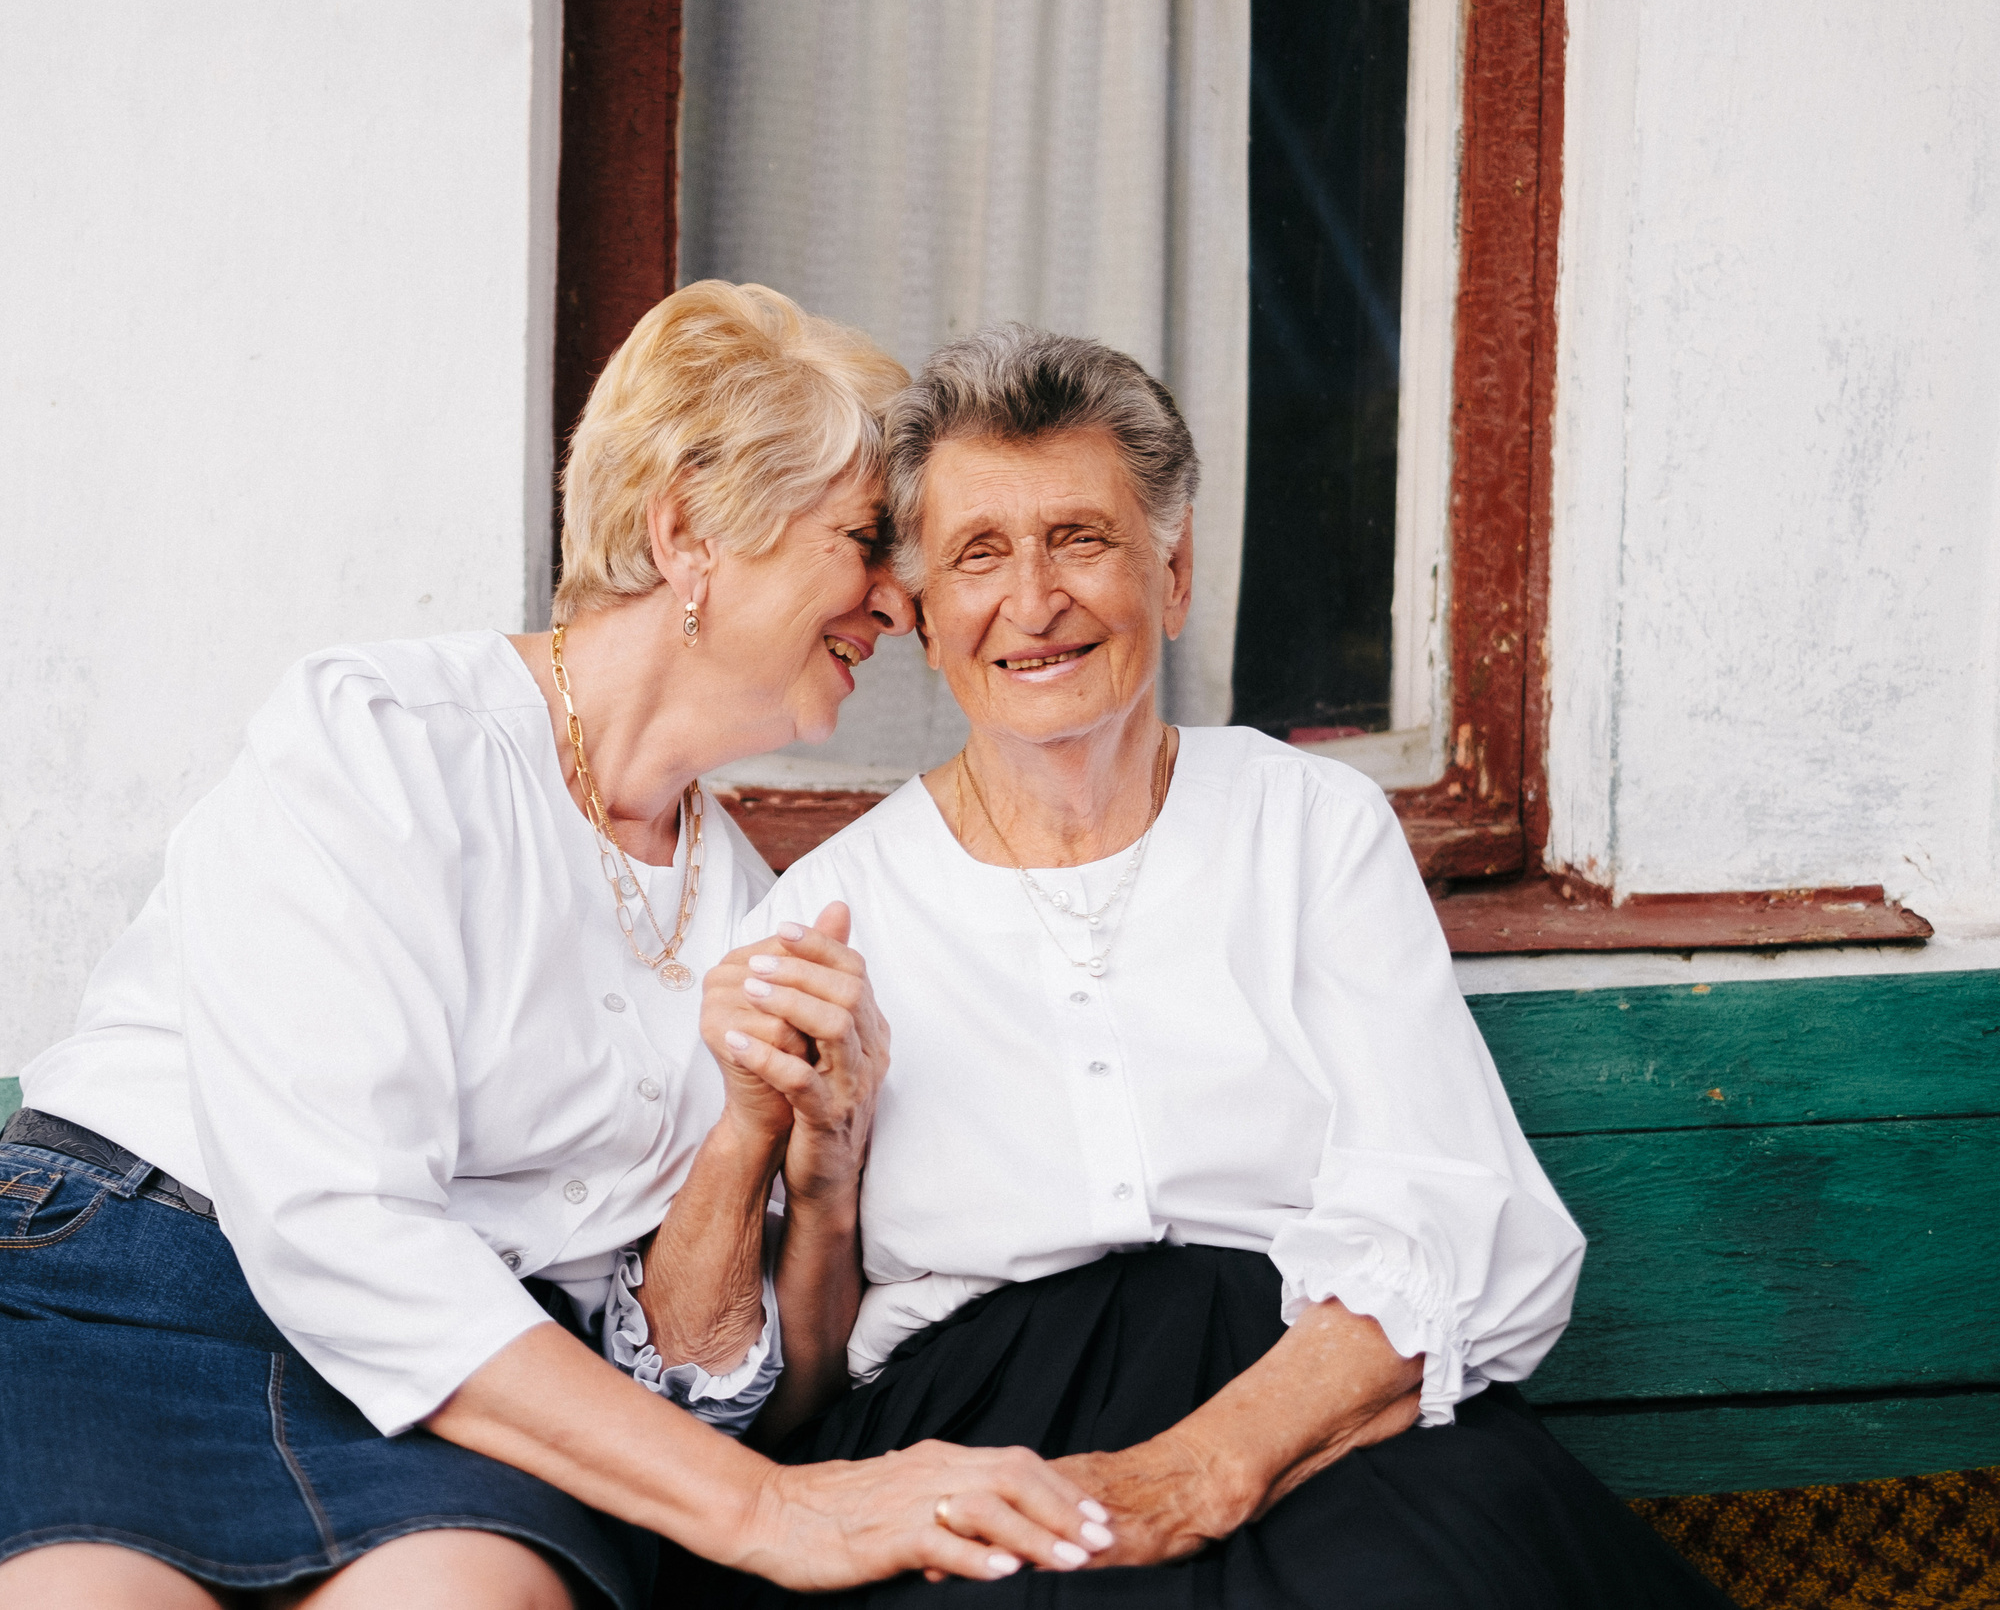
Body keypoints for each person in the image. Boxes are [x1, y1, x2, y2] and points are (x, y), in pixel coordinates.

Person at [0, 286, 1115, 1610]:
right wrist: (764, 1510)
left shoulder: (762, 907)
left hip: (462, 1396)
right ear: (690, 529)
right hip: (108, 1297)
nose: (903, 597)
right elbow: (333, 1220)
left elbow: (688, 1367)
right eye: (867, 537)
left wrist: (783, 1152)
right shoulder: (382, 736)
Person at [682, 325, 1730, 1607]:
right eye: (976, 554)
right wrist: (821, 1177)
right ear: (920, 616)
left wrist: (1202, 1471)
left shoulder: (1309, 826)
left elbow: (1446, 1207)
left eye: (1081, 538)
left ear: (1171, 577)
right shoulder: (831, 909)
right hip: (964, 1431)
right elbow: (786, 1393)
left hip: (1298, 1397)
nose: (1032, 600)